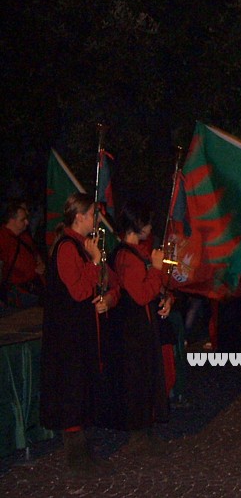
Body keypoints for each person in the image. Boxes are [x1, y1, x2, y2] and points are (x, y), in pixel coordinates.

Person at [40, 193, 119, 476]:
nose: (96, 220)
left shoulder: (79, 246)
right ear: (80, 216)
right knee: (72, 394)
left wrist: (106, 293)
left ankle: (85, 455)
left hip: (79, 334)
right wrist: (95, 262)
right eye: (92, 215)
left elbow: (102, 282)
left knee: (82, 391)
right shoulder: (66, 247)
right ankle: (77, 461)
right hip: (68, 338)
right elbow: (78, 289)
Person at [100, 201, 171, 454]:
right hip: (132, 327)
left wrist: (165, 296)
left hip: (138, 324)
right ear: (137, 225)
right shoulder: (126, 256)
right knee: (136, 377)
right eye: (147, 223)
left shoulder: (133, 253)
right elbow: (140, 294)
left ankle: (144, 429)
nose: (151, 228)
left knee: (142, 375)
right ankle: (138, 434)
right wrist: (158, 270)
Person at [0, 199, 45, 308]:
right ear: (12, 220)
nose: (27, 222)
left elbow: (35, 254)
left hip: (33, 287)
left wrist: (41, 265)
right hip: (19, 292)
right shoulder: (3, 239)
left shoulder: (24, 236)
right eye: (23, 219)